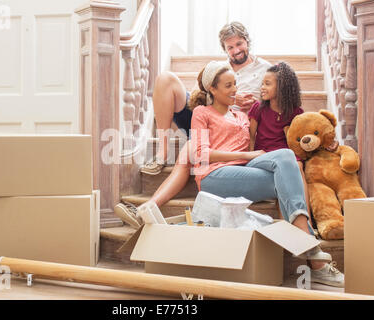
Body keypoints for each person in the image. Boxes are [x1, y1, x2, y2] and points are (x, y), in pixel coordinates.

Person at [189, 61, 344, 287]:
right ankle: (310, 246)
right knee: (286, 176)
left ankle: (305, 242)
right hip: (214, 177)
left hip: (243, 172)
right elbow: (200, 155)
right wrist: (251, 157)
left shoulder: (241, 116)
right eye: (228, 86)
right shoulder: (202, 113)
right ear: (212, 89)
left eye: (235, 84)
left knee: (286, 156)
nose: (235, 89)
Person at [140, 21, 272, 175]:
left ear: (247, 41)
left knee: (192, 147)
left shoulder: (265, 69)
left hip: (232, 128)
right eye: (230, 47)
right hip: (205, 120)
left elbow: (274, 104)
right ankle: (161, 154)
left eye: (239, 44)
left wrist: (254, 106)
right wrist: (233, 99)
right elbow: (197, 98)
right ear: (225, 49)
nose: (236, 50)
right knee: (165, 79)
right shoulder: (218, 68)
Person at [248, 62, 310, 211]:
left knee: (298, 166)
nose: (262, 87)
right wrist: (250, 157)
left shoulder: (296, 112)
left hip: (286, 154)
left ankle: (305, 216)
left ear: (282, 87)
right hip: (264, 154)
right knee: (286, 170)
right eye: (262, 83)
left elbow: (298, 139)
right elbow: (251, 137)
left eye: (267, 84)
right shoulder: (259, 108)